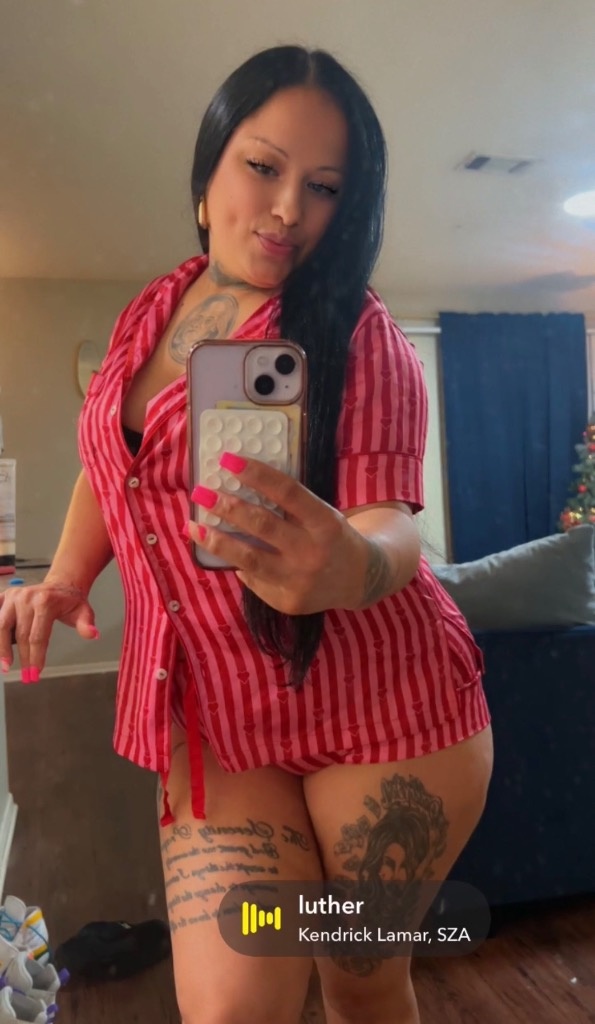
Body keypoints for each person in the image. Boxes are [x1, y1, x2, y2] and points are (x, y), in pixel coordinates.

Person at [0, 45, 493, 1024]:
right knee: (232, 1009)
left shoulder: (357, 332)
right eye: (263, 166)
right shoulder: (152, 310)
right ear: (208, 172)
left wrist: (354, 565)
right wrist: (65, 578)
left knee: (360, 981)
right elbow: (114, 463)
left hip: (380, 711)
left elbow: (391, 521)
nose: (287, 208)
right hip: (218, 716)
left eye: (324, 187)